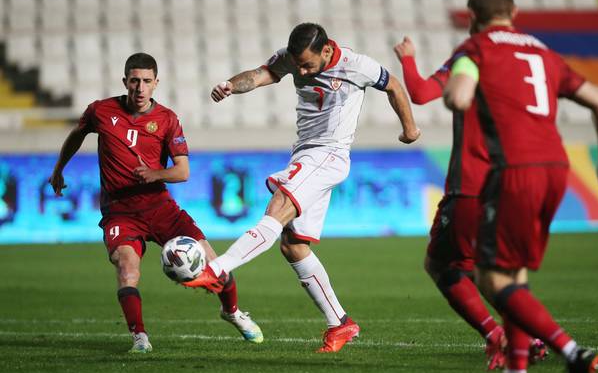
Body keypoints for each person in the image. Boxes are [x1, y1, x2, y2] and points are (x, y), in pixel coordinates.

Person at [184, 23, 421, 352]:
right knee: (293, 245)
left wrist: (410, 129)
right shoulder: (293, 59)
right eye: (297, 64)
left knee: (279, 206)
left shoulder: (357, 65)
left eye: (307, 64)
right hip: (306, 153)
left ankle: (217, 268)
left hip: (329, 154)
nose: (301, 71)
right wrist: (230, 85)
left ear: (326, 51)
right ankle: (340, 323)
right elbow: (261, 74)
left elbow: (393, 85)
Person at [443, 0, 598, 373]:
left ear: (472, 17)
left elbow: (458, 97)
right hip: (557, 168)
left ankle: (573, 352)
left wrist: (458, 89)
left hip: (515, 170)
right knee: (515, 274)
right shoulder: (542, 51)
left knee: (490, 278)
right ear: (514, 12)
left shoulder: (476, 49)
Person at [48, 53, 264, 353]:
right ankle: (140, 337)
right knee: (126, 268)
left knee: (215, 266)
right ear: (125, 82)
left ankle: (232, 312)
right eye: (134, 81)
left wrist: (155, 174)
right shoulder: (101, 111)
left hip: (160, 208)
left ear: (156, 83)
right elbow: (77, 134)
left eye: (146, 81)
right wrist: (59, 169)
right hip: (120, 212)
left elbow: (183, 171)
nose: (140, 88)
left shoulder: (167, 119)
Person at [393, 37, 548, 370]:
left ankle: (502, 336)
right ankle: (529, 337)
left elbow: (420, 94)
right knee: (490, 268)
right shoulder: (532, 59)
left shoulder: (470, 59)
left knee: (442, 265)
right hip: (520, 181)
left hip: (472, 185)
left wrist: (407, 58)